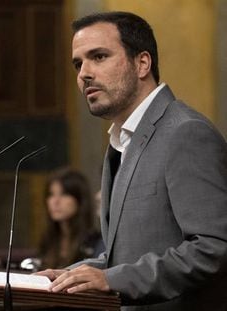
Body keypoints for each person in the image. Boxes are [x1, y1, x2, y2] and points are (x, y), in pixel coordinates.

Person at [36, 11, 227, 311]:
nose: (83, 73)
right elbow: (125, 256)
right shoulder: (121, 141)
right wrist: (71, 275)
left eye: (98, 57)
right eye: (78, 63)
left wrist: (113, 280)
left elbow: (213, 248)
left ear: (142, 64)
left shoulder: (185, 132)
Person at [38, 167, 104, 269]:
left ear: (80, 200)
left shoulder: (95, 243)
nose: (55, 201)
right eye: (51, 194)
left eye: (63, 194)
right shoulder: (47, 240)